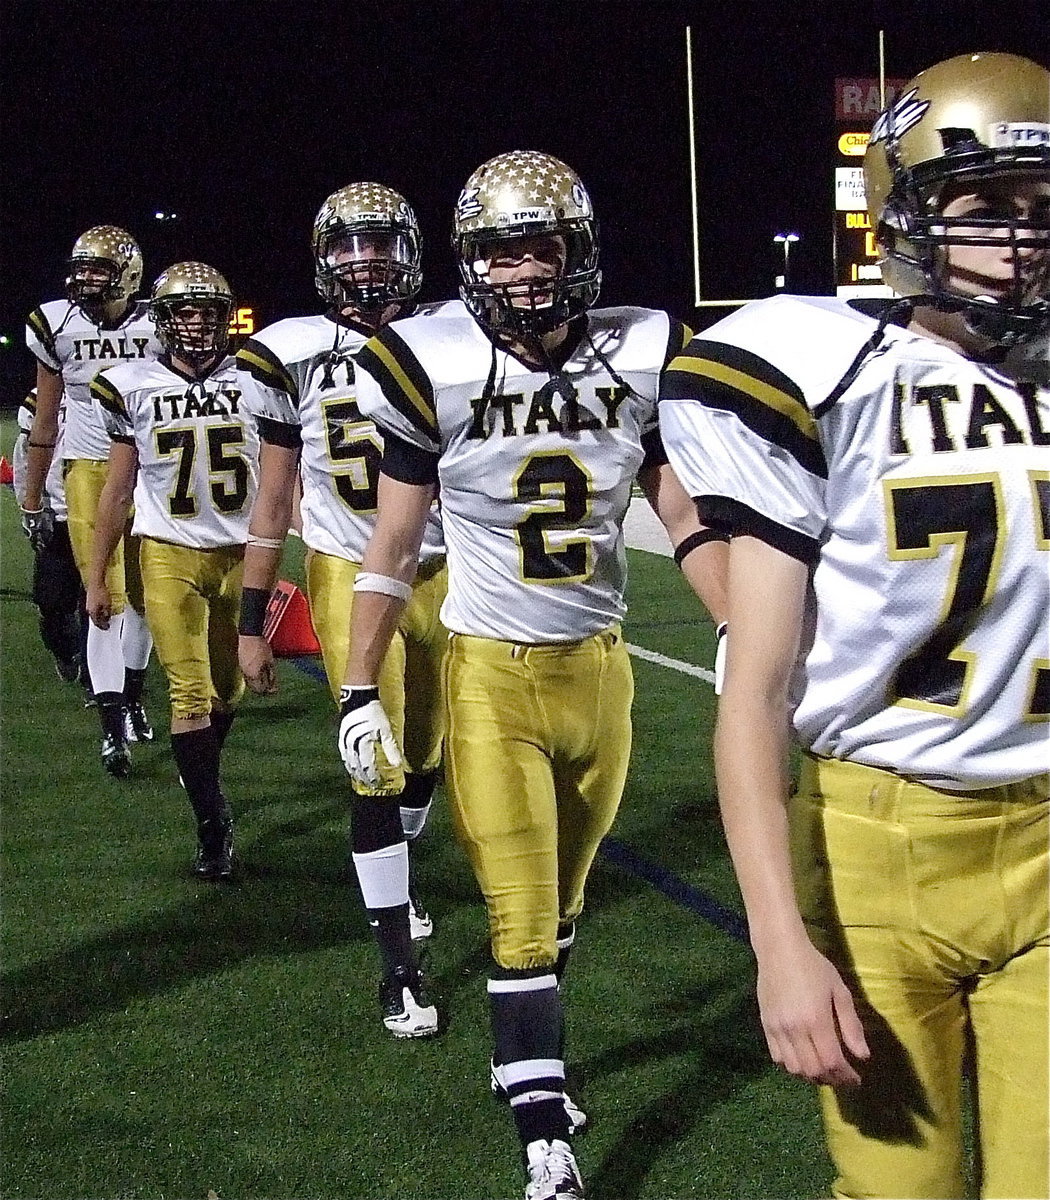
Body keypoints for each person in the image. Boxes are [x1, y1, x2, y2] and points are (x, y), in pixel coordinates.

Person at [660, 52, 1049, 1200]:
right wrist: (780, 944)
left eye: (1041, 209)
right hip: (880, 845)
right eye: (984, 210)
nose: (1022, 241)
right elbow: (756, 693)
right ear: (906, 220)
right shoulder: (830, 370)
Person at [339, 151, 727, 1200]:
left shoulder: (641, 352)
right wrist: (356, 685)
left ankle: (530, 1057)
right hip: (489, 678)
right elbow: (391, 546)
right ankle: (543, 1133)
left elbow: (683, 513)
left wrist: (738, 624)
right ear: (470, 264)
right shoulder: (432, 365)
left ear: (579, 251)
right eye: (500, 253)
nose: (520, 274)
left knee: (560, 913)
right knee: (516, 916)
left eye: (539, 247)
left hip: (601, 676)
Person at [235, 183, 451, 1037]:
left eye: (381, 244)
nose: (366, 262)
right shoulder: (290, 352)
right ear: (324, 260)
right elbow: (272, 499)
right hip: (344, 570)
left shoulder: (451, 333)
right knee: (373, 758)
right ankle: (398, 966)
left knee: (428, 758)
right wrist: (253, 621)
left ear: (411, 250)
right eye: (349, 247)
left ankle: (400, 863)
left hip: (447, 569)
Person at [87, 262, 259, 881]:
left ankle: (205, 781)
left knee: (226, 690)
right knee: (187, 691)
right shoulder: (130, 385)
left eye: (209, 313)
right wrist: (97, 571)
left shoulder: (257, 379)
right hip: (166, 548)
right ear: (163, 319)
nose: (198, 324)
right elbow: (116, 487)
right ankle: (213, 826)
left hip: (241, 551)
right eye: (185, 313)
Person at [23, 226, 159, 778]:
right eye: (81, 268)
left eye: (98, 270)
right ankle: (111, 723)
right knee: (105, 596)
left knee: (149, 593)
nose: (85, 280)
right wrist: (33, 496)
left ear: (127, 272)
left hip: (150, 468)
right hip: (88, 469)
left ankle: (132, 694)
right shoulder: (55, 323)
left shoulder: (159, 321)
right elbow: (45, 415)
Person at [13, 387, 87, 691]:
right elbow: (24, 456)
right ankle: (67, 651)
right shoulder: (42, 397)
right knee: (52, 603)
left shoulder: (119, 388)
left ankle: (104, 684)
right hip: (59, 515)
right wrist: (30, 505)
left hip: (105, 514)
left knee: (104, 604)